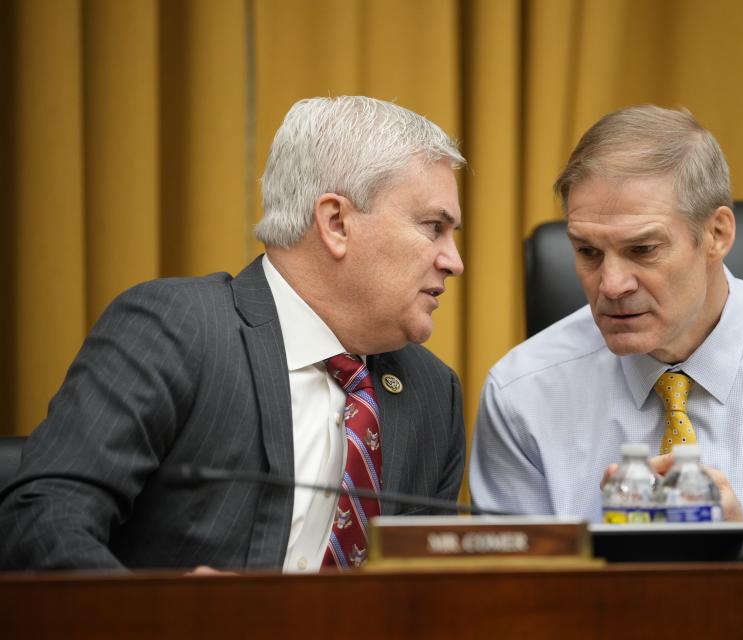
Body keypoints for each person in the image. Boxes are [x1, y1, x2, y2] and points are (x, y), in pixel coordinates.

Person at [0, 96, 467, 571]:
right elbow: (42, 517)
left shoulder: (433, 395)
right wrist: (161, 617)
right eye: (434, 227)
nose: (454, 261)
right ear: (336, 222)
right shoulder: (178, 331)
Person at [469, 104, 743, 525]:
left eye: (642, 250)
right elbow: (516, 597)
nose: (611, 285)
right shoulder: (522, 396)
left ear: (717, 235)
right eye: (588, 252)